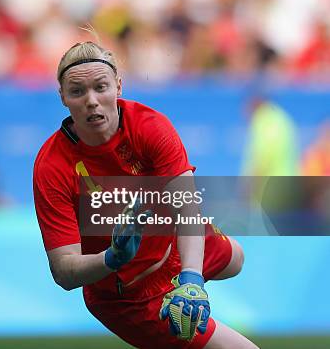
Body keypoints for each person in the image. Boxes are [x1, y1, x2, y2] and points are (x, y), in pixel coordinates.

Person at [33, 41, 258, 349]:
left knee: (236, 259)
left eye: (101, 87)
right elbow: (64, 272)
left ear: (119, 86)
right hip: (129, 296)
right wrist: (112, 258)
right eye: (77, 92)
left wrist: (191, 279)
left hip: (170, 243)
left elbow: (186, 206)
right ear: (62, 97)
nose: (92, 101)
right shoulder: (52, 166)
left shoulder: (149, 126)